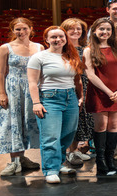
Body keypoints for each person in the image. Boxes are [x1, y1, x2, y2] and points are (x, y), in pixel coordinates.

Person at [27, 26, 84, 184]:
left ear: (65, 38)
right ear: (46, 40)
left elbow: (77, 80)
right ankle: (50, 170)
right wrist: (36, 102)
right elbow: (32, 82)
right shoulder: (39, 57)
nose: (58, 40)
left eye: (61, 37)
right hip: (49, 98)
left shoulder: (71, 55)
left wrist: (80, 97)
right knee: (51, 136)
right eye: (53, 37)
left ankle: (58, 164)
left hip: (70, 97)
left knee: (68, 134)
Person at [0, 18, 43, 176]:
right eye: (18, 29)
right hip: (13, 89)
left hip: (33, 89)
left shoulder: (39, 47)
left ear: (31, 29)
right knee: (13, 123)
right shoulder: (5, 48)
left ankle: (22, 158)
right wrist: (2, 93)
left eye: (24, 29)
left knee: (27, 123)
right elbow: (0, 72)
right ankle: (14, 161)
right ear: (12, 31)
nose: (21, 32)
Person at [84, 17, 117, 175]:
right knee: (101, 125)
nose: (105, 32)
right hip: (99, 92)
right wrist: (109, 92)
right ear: (95, 31)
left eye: (108, 29)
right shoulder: (89, 50)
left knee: (113, 126)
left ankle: (110, 160)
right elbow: (90, 75)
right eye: (101, 29)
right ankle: (100, 160)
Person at [61, 18, 92, 166]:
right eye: (71, 29)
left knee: (83, 120)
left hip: (87, 85)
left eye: (78, 28)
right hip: (70, 86)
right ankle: (69, 152)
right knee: (71, 120)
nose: (76, 31)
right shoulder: (62, 49)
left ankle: (76, 150)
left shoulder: (87, 47)